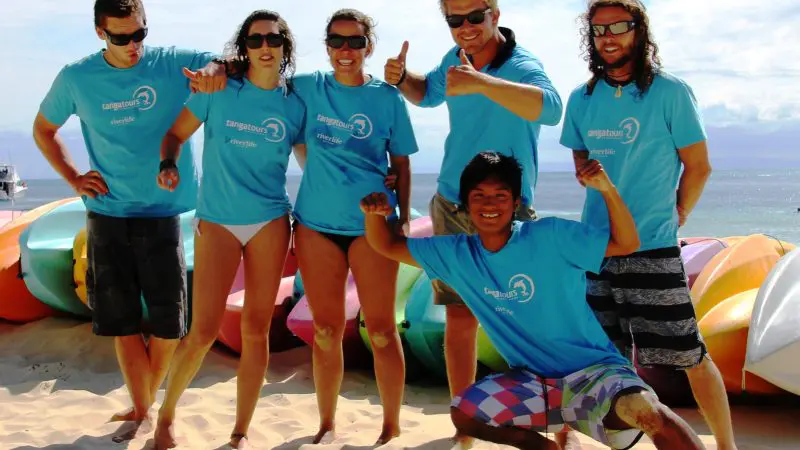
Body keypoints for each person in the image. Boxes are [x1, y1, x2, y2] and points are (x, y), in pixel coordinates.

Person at [360, 152, 705, 450]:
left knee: (647, 410)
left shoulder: (551, 236)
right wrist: (376, 214)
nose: (490, 204)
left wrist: (607, 190)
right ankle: (540, 446)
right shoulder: (457, 254)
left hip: (595, 373)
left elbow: (625, 243)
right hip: (532, 382)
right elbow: (387, 246)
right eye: (479, 195)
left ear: (516, 202)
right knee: (465, 412)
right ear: (465, 205)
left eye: (500, 195)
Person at [31, 0, 227, 440]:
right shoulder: (77, 77)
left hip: (163, 213)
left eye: (139, 33)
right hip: (107, 213)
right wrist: (72, 177)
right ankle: (142, 409)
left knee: (168, 325)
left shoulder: (171, 62)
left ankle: (145, 401)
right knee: (120, 322)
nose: (133, 44)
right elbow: (43, 129)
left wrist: (215, 70)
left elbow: (222, 60)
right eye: (121, 37)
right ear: (101, 32)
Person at [559, 1, 737, 449]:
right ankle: (580, 437)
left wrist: (678, 215)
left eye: (619, 26)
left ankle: (726, 445)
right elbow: (580, 156)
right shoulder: (581, 99)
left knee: (689, 355)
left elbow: (698, 167)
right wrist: (586, 171)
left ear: (640, 31)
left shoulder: (670, 92)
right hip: (597, 246)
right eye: (599, 29)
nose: (609, 36)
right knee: (600, 356)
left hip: (653, 247)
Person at [383, 1, 563, 442]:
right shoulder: (453, 60)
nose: (465, 27)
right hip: (452, 204)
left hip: (508, 211)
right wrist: (403, 79)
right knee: (460, 321)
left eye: (474, 16)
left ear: (495, 14)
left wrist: (483, 81)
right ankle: (465, 425)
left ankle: (557, 430)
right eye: (454, 20)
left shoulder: (522, 65)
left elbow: (553, 109)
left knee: (531, 323)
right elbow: (429, 93)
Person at [150, 10, 305, 449]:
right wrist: (167, 165)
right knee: (202, 331)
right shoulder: (217, 91)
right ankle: (166, 415)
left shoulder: (296, 102)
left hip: (270, 221)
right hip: (217, 219)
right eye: (254, 41)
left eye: (273, 39)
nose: (264, 47)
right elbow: (175, 135)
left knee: (256, 331)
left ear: (284, 46)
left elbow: (312, 159)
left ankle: (239, 432)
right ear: (244, 48)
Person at [290, 9, 418, 445]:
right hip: (315, 224)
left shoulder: (387, 98)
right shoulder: (306, 88)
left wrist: (400, 218)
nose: (346, 51)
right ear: (327, 45)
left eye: (356, 42)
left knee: (381, 330)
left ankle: (391, 426)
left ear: (369, 47)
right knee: (325, 331)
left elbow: (400, 162)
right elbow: (257, 84)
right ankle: (326, 424)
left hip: (373, 226)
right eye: (337, 41)